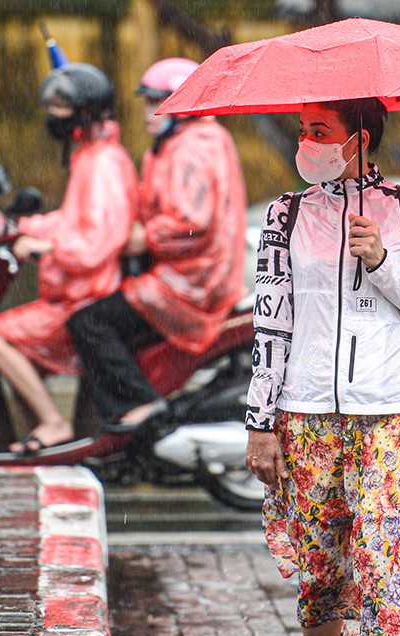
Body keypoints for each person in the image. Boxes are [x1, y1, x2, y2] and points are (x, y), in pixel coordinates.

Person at [244, 97, 400, 636]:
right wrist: (260, 421)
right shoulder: (285, 215)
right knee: (321, 568)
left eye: (320, 130)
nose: (306, 141)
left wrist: (384, 263)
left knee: (382, 556)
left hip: (395, 411)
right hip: (308, 414)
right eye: (303, 130)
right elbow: (271, 324)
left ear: (358, 139)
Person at [67, 58, 248, 431]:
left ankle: (139, 406)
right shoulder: (180, 143)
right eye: (148, 101)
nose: (148, 112)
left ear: (182, 106)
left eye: (158, 102)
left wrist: (145, 238)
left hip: (193, 281)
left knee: (89, 322)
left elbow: (192, 222)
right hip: (196, 272)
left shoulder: (192, 147)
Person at [0, 63, 138, 454]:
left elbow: (98, 241)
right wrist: (24, 228)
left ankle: (53, 424)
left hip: (86, 295)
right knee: (20, 359)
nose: (54, 115)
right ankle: (46, 445)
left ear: (85, 111)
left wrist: (48, 248)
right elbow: (73, 220)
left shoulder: (103, 164)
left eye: (62, 107)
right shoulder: (90, 157)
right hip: (73, 289)